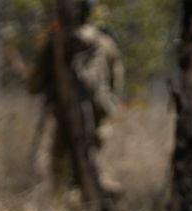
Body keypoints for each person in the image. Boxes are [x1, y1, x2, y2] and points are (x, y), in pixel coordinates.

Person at [27, 0, 124, 192]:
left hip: (64, 121)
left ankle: (92, 208)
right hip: (98, 123)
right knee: (90, 170)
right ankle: (97, 208)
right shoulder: (106, 43)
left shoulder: (56, 41)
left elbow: (34, 85)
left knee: (63, 182)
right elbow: (117, 86)